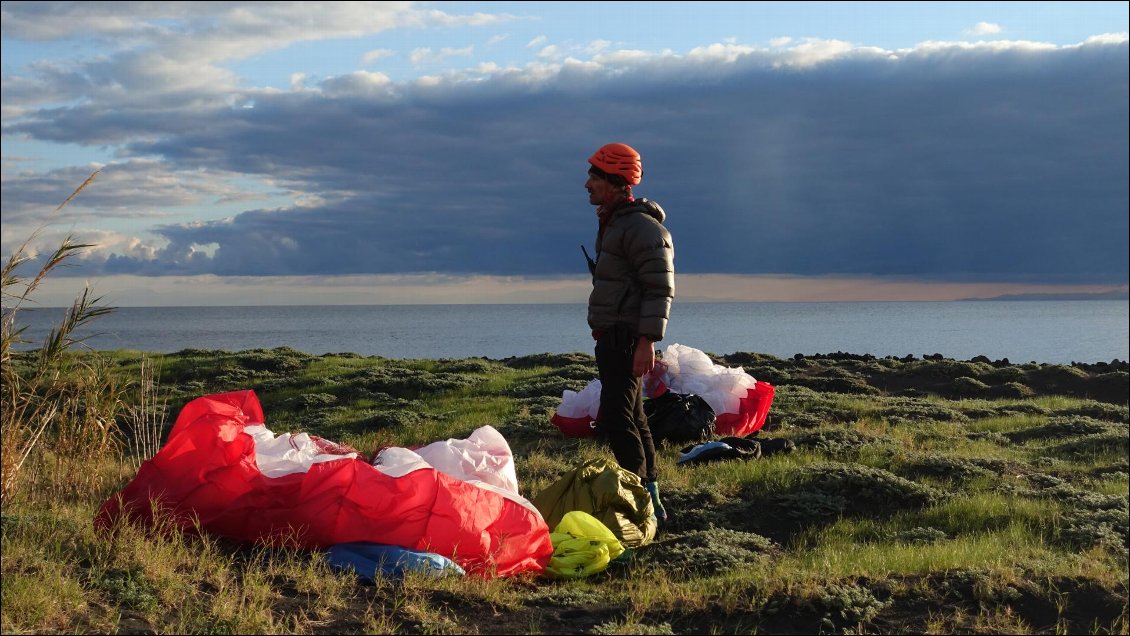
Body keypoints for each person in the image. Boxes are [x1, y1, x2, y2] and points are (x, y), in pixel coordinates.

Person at [583, 142, 675, 522]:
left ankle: (637, 499)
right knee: (634, 416)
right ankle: (651, 497)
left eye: (594, 176)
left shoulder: (641, 227)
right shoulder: (617, 222)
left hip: (626, 338)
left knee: (618, 419)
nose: (587, 183)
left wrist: (646, 342)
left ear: (616, 182)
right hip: (614, 335)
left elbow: (659, 288)